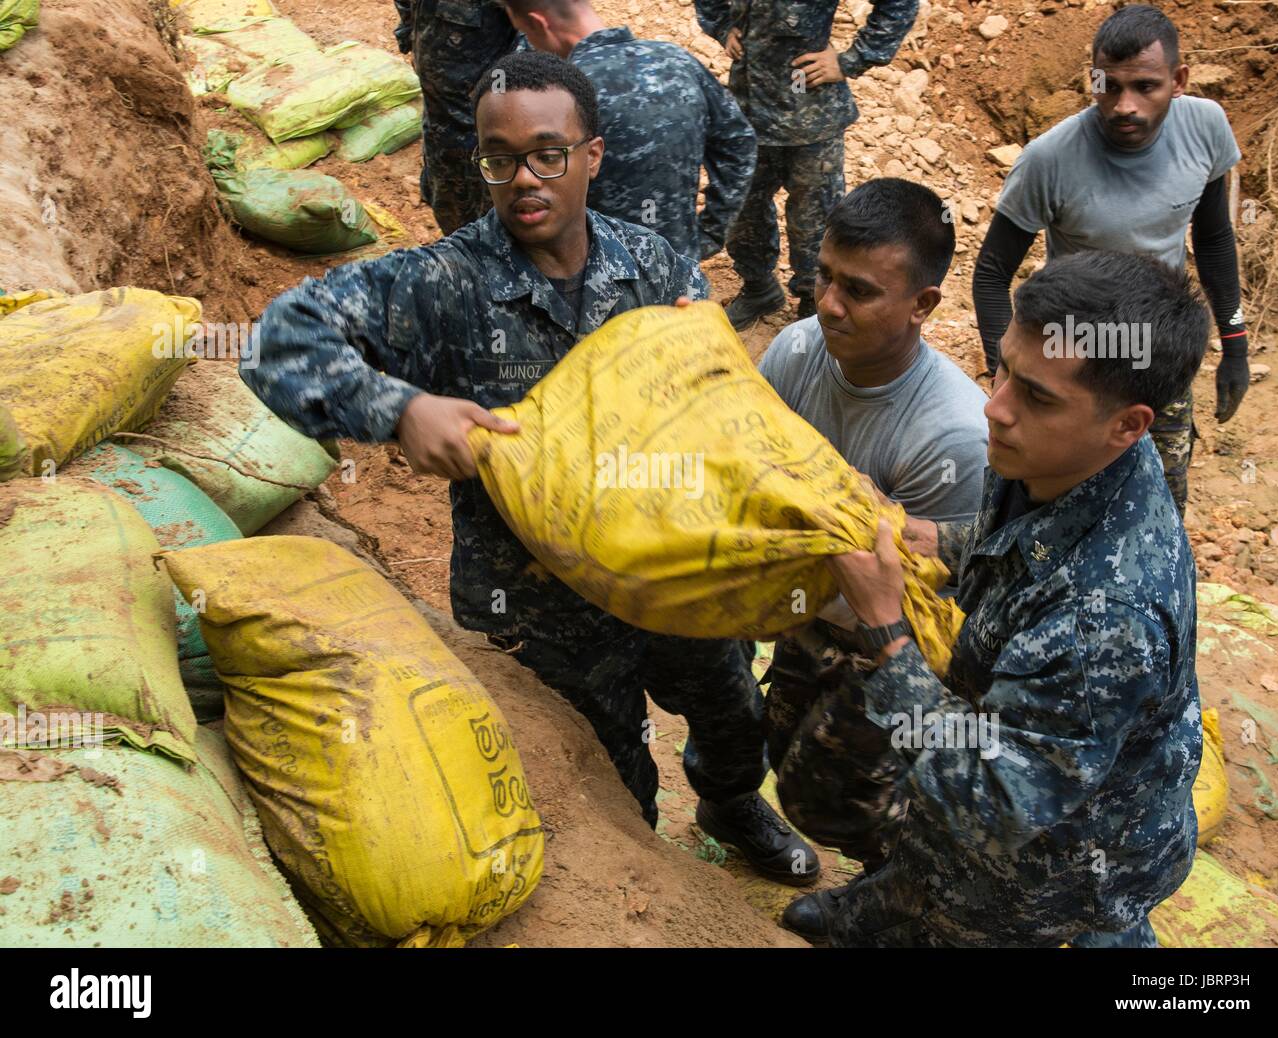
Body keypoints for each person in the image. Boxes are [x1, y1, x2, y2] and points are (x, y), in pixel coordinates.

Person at [241, 51, 818, 887]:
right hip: (542, 604)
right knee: (608, 788)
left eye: (548, 153)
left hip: (671, 563)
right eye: (498, 158)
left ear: (592, 154)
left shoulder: (652, 265)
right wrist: (400, 409)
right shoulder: (445, 282)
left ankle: (731, 805)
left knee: (734, 713)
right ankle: (651, 895)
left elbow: (718, 401)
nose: (522, 179)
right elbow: (276, 340)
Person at [779, 249, 1206, 947]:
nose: (995, 408)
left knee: (974, 911)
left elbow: (997, 801)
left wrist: (888, 632)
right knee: (912, 855)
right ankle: (887, 902)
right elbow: (1003, 538)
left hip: (1053, 859)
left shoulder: (1107, 618)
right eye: (1003, 368)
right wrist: (925, 538)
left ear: (1128, 425)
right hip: (1020, 760)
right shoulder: (1061, 457)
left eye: (1037, 395)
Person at [756, 178, 989, 939]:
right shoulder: (797, 351)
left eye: (858, 290)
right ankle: (883, 881)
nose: (828, 303)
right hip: (805, 608)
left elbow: (940, 598)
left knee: (841, 794)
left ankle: (898, 895)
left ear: (922, 305)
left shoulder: (952, 433)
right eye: (824, 276)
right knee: (787, 756)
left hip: (889, 637)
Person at [972, 4, 1247, 515]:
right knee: (1055, 500)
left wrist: (1235, 345)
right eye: (1108, 86)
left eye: (1145, 87)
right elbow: (990, 273)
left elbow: (1212, 239)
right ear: (1092, 79)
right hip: (1076, 361)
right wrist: (1005, 371)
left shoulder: (1205, 128)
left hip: (1158, 350)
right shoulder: (1050, 159)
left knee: (1160, 500)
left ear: (1179, 79)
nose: (1124, 105)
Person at [695, 0, 920, 329]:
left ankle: (811, 307)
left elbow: (899, 4)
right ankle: (759, 288)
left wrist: (850, 60)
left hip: (811, 117)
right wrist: (721, 26)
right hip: (749, 110)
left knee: (814, 224)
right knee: (743, 213)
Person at [502, 0, 756, 261]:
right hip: (678, 274)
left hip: (590, 283)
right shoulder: (679, 62)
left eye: (526, 32)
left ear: (538, 23)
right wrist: (709, 233)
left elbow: (531, 192)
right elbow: (740, 144)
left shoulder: (555, 94)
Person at [394, 0, 519, 234]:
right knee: (448, 204)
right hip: (440, 118)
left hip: (486, 123)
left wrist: (510, 91)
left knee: (497, 219)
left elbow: (538, 23)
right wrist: (408, 31)